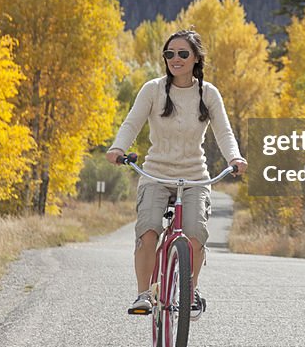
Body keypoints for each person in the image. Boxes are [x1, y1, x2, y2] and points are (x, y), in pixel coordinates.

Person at [106, 28, 247, 316]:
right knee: (148, 231)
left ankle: (190, 290)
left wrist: (235, 157)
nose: (175, 59)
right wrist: (118, 148)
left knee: (196, 233)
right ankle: (144, 294)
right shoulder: (153, 89)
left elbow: (224, 132)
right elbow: (131, 124)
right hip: (156, 173)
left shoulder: (208, 94)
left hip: (195, 176)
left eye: (183, 53)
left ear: (196, 58)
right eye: (170, 54)